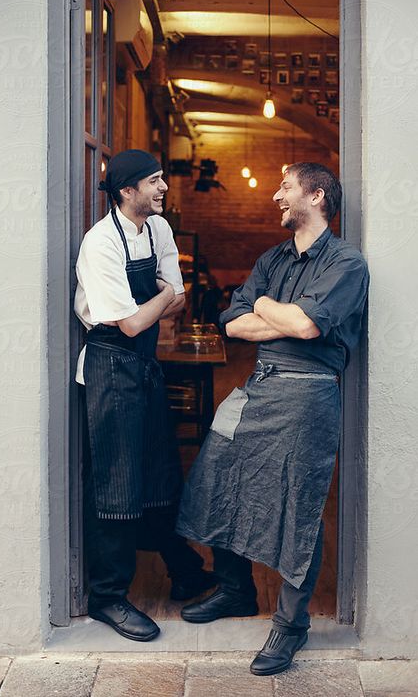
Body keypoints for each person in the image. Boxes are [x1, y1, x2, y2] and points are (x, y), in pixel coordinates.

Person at [176, 162, 369, 674]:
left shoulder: (347, 263)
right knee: (216, 476)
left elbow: (308, 326)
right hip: (257, 386)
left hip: (308, 397)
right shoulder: (272, 258)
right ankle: (236, 588)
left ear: (317, 195)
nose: (276, 197)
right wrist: (275, 315)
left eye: (285, 187)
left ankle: (290, 626)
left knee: (298, 507)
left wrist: (266, 305)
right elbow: (234, 324)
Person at [74, 149, 215, 642]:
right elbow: (134, 321)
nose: (163, 189)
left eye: (162, 180)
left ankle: (183, 570)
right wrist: (158, 298)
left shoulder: (159, 230)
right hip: (110, 367)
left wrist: (159, 301)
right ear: (126, 191)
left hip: (144, 366)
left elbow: (180, 299)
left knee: (159, 470)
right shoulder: (100, 243)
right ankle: (108, 597)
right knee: (116, 481)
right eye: (154, 181)